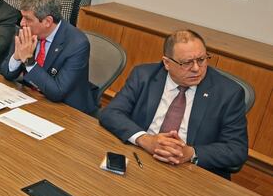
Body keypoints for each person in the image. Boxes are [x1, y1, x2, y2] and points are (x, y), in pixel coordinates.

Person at [99, 29, 248, 179]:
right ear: (167, 63)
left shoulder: (229, 93)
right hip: (141, 159)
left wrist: (191, 153)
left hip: (190, 172)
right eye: (187, 62)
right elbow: (111, 113)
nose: (196, 68)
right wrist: (146, 140)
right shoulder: (144, 76)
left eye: (201, 59)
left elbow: (237, 149)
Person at [0, 0, 96, 115]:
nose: (22, 23)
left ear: (47, 21)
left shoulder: (77, 44)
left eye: (28, 19)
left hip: (67, 111)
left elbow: (57, 92)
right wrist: (17, 57)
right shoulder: (26, 30)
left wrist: (29, 61)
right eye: (22, 17)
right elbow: (7, 73)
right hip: (32, 100)